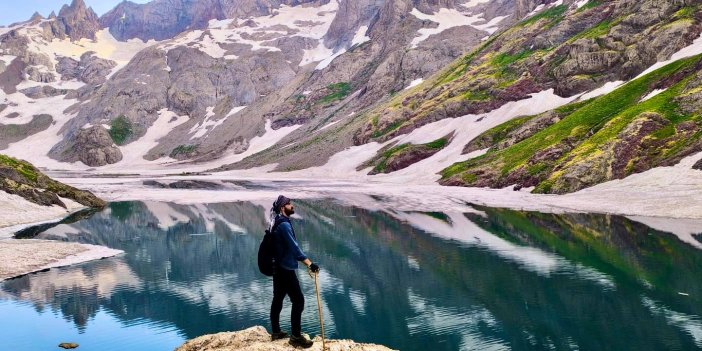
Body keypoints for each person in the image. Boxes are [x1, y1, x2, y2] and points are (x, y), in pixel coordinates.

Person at [269, 195, 320, 348]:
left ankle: (276, 332)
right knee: (298, 300)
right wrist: (310, 264)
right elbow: (294, 248)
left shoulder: (276, 221)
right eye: (289, 204)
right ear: (282, 207)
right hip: (286, 268)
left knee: (278, 298)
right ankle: (296, 337)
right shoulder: (284, 225)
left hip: (277, 266)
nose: (292, 206)